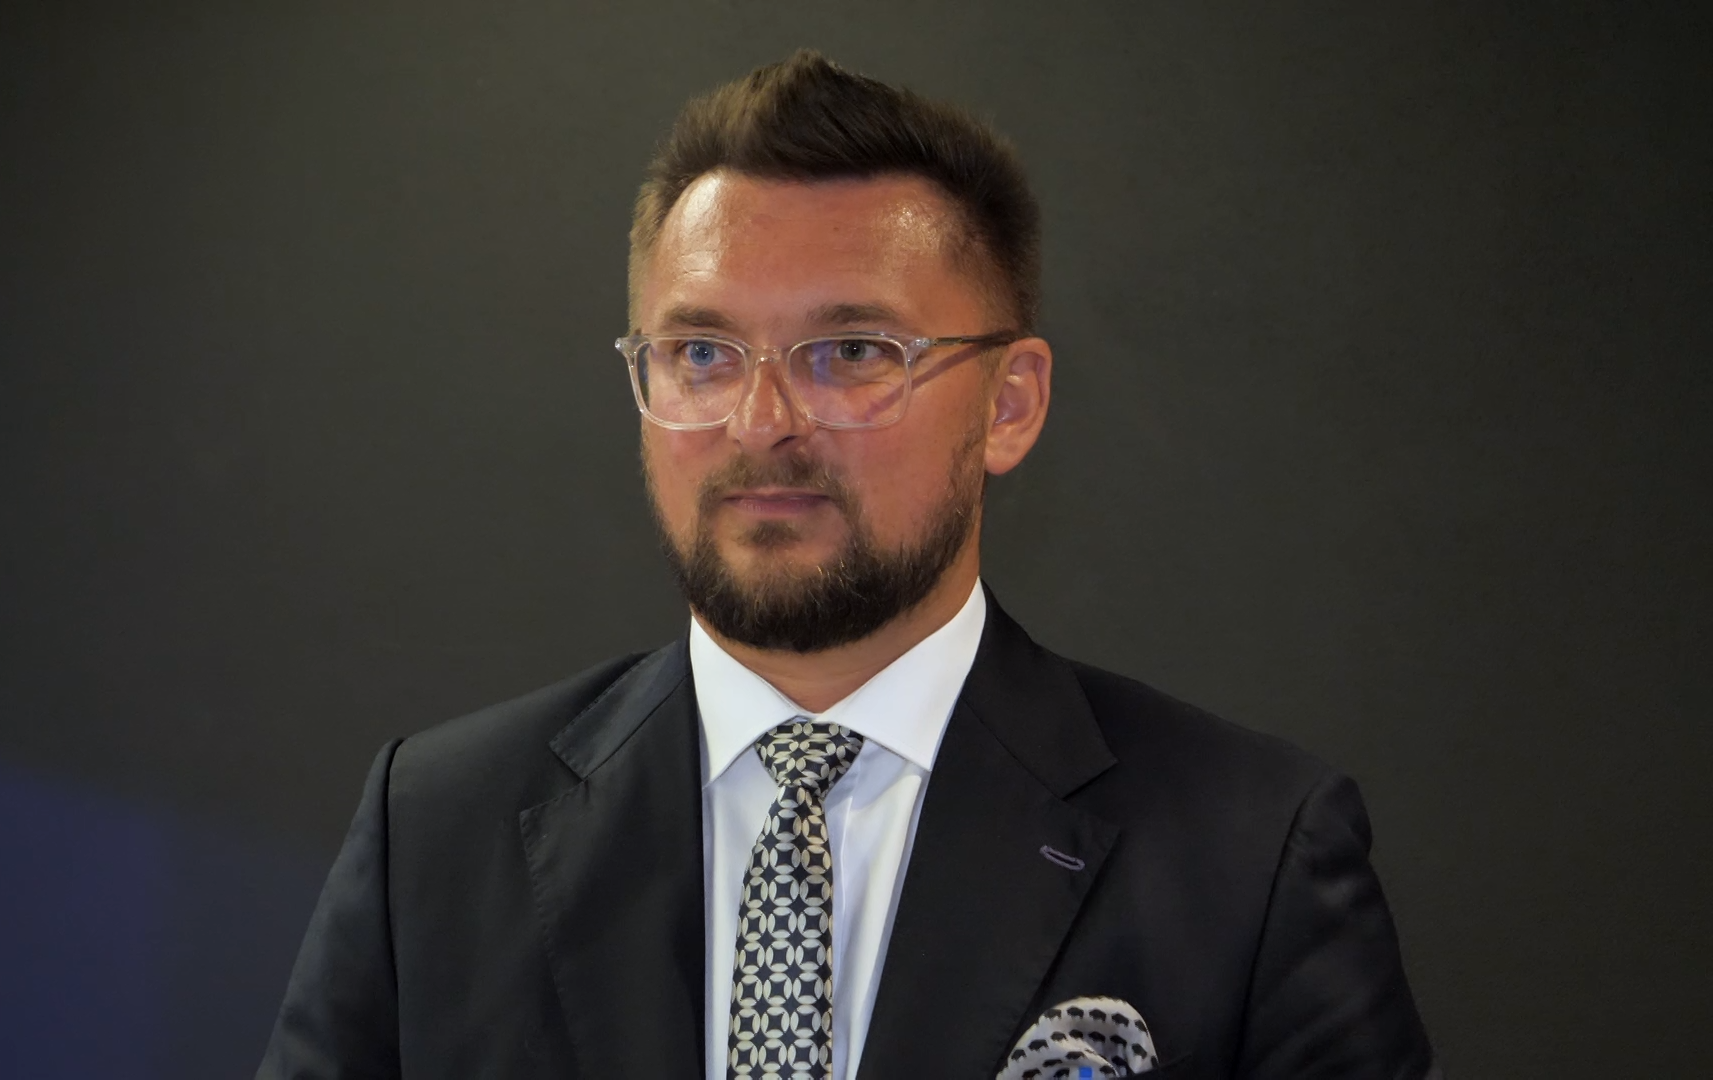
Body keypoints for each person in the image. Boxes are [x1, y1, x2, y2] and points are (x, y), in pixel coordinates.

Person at [258, 51, 1437, 1080]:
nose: (761, 421)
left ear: (1011, 403)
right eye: (701, 352)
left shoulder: (1249, 857)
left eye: (853, 351)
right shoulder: (438, 829)